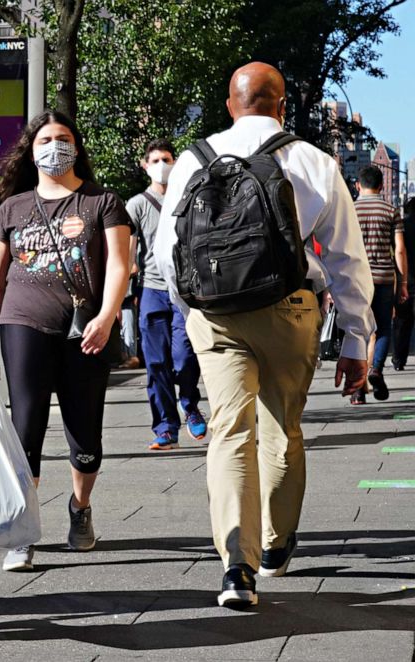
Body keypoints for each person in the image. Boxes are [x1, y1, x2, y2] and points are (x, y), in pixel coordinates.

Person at [154, 62, 373, 609]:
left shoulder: (193, 159)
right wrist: (356, 339)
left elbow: (166, 251)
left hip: (217, 315)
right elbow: (347, 259)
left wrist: (194, 312)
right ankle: (274, 547)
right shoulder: (311, 160)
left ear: (230, 104)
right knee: (282, 430)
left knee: (230, 432)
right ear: (280, 106)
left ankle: (236, 567)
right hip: (290, 310)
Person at [0, 110, 131, 573]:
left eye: (63, 138)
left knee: (84, 435)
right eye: (45, 139)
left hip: (85, 331)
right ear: (31, 149)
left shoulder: (102, 202)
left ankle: (80, 507)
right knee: (24, 429)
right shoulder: (11, 208)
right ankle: (21, 530)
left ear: (77, 146)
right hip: (23, 325)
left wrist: (107, 317)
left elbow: (121, 265)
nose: (54, 147)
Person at [126, 139, 206, 450]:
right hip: (152, 290)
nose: (162, 165)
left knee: (185, 357)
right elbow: (129, 250)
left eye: (167, 159)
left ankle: (190, 404)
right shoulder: (136, 204)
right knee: (156, 362)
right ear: (145, 165)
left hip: (184, 291)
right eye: (156, 159)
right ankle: (165, 427)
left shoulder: (186, 199)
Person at [352, 166, 409, 402]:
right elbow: (400, 250)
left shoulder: (350, 210)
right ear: (382, 186)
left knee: (357, 332)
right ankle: (376, 369)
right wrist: (403, 282)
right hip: (384, 278)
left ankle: (357, 389)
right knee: (384, 327)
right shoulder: (391, 210)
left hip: (356, 279)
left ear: (358, 185)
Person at [392, 199, 415, 370]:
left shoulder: (403, 227)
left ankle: (399, 359)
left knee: (402, 321)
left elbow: (398, 251)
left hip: (405, 279)